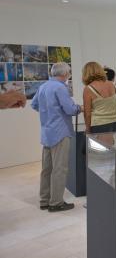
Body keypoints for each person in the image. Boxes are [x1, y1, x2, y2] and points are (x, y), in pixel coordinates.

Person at [31, 62, 82, 212]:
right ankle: (56, 202)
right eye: (69, 73)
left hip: (46, 132)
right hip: (60, 132)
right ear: (65, 73)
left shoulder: (43, 86)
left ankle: (44, 200)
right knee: (60, 168)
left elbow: (34, 105)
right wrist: (79, 108)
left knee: (46, 169)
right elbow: (70, 109)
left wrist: (48, 112)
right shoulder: (61, 87)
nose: (69, 75)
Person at [82, 62, 116, 134]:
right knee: (112, 144)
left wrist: (87, 129)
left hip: (99, 124)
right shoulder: (111, 84)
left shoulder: (88, 89)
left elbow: (87, 113)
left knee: (98, 145)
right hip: (115, 122)